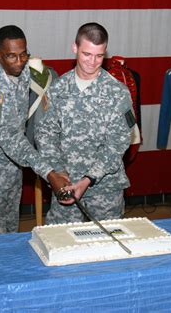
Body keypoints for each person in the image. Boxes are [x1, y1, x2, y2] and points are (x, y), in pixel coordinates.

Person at [0, 25, 69, 235]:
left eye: (23, 54)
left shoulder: (23, 69)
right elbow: (10, 139)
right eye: (11, 56)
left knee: (10, 238)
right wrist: (49, 172)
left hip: (10, 173)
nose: (19, 62)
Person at [35, 22, 135, 224]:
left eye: (99, 56)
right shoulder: (57, 89)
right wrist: (59, 174)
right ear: (75, 48)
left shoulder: (117, 93)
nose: (92, 61)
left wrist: (88, 179)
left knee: (107, 248)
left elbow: (118, 144)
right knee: (60, 244)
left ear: (105, 53)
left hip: (105, 189)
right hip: (66, 185)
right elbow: (45, 135)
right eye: (86, 54)